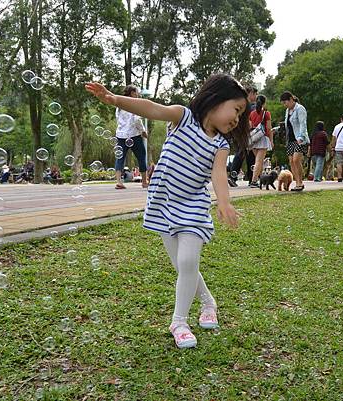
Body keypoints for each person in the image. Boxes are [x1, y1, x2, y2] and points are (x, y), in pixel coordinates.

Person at [86, 73, 249, 349]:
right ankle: (208, 302)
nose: (237, 119)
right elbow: (150, 108)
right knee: (183, 266)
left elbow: (219, 174)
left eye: (241, 115)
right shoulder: (182, 117)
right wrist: (114, 99)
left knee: (187, 263)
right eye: (236, 109)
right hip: (165, 202)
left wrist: (224, 202)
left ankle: (179, 322)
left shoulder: (220, 145)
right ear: (216, 99)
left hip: (194, 206)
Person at [114, 85, 149, 189]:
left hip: (121, 135)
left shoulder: (119, 105)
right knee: (141, 156)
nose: (138, 94)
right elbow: (137, 120)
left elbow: (118, 120)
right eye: (136, 92)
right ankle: (144, 182)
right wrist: (143, 131)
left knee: (120, 157)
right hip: (134, 135)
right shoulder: (134, 105)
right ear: (132, 93)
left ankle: (119, 182)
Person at [228, 86, 258, 187]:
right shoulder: (252, 106)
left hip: (237, 131)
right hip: (247, 132)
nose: (256, 96)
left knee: (244, 153)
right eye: (255, 94)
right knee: (244, 153)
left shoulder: (239, 104)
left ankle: (241, 177)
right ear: (250, 93)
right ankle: (241, 177)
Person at [281, 91, 309, 191]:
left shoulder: (300, 109)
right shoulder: (287, 111)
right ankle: (297, 182)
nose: (285, 105)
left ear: (291, 99)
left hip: (299, 139)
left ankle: (300, 182)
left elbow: (303, 123)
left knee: (296, 160)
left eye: (285, 102)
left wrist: (301, 137)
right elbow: (287, 125)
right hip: (290, 139)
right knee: (291, 162)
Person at [248, 94, 272, 188]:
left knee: (259, 161)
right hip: (262, 138)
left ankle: (260, 179)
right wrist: (271, 140)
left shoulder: (252, 113)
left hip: (254, 138)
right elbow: (268, 128)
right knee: (259, 161)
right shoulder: (266, 113)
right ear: (264, 103)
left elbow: (249, 127)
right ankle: (253, 181)